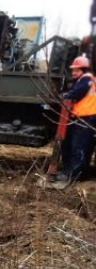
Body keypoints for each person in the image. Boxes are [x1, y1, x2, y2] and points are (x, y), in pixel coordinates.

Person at [52, 55, 96, 189]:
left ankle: (73, 175)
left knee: (78, 146)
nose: (73, 72)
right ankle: (68, 171)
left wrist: (64, 96)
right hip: (81, 116)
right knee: (72, 144)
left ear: (83, 69)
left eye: (76, 70)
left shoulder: (87, 79)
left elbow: (76, 93)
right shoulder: (85, 79)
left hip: (85, 117)